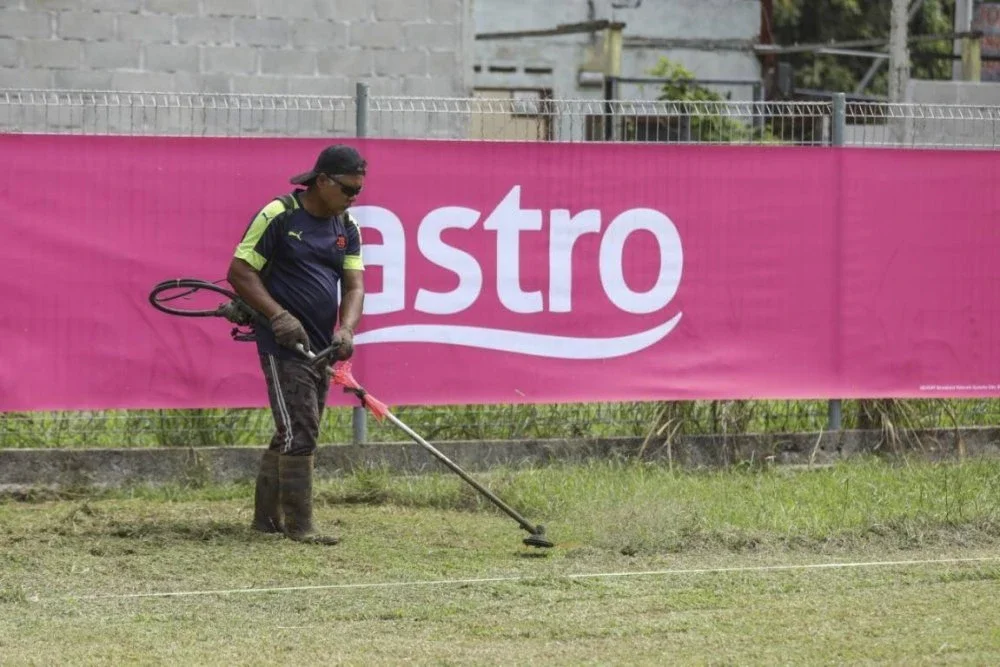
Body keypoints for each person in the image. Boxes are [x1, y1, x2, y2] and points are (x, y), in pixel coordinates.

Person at [227, 145, 366, 545]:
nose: (353, 198)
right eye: (347, 189)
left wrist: (348, 329)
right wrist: (277, 315)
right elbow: (239, 271)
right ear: (322, 181)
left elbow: (354, 285)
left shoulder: (347, 225)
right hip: (281, 341)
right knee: (301, 430)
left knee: (292, 428)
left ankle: (265, 520)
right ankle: (300, 526)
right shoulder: (279, 214)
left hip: (322, 346)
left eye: (358, 191)